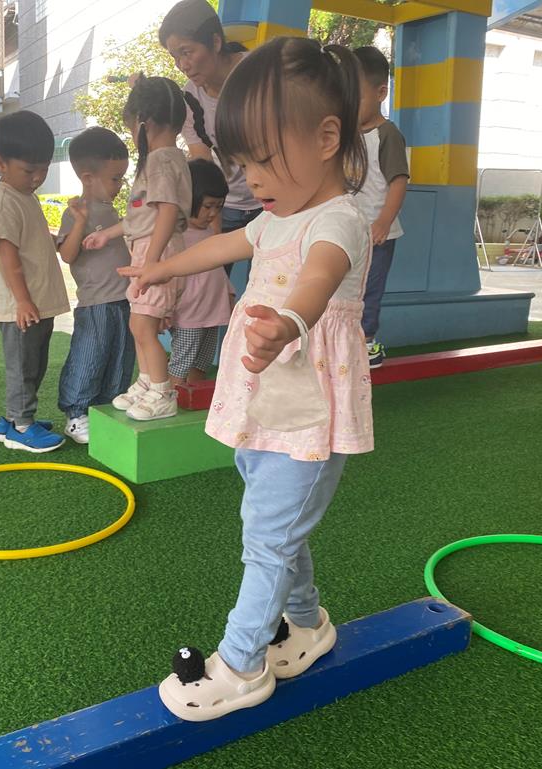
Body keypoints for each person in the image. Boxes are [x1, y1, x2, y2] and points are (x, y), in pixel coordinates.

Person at [121, 37, 373, 721]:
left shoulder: (339, 219)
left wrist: (289, 321)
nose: (251, 178)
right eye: (242, 162)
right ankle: (307, 623)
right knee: (275, 526)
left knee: (267, 538)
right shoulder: (275, 218)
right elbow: (219, 245)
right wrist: (159, 267)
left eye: (264, 157)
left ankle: (240, 664)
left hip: (304, 408)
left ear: (327, 138)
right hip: (263, 405)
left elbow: (319, 276)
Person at [83, 76, 191, 422]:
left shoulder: (161, 161)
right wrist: (108, 234)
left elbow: (168, 211)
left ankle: (162, 391)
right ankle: (147, 382)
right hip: (150, 251)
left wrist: (154, 262)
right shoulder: (163, 159)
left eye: (131, 128)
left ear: (145, 123)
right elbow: (142, 218)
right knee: (138, 324)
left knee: (144, 326)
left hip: (157, 254)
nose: (132, 136)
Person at [0, 111, 70, 451]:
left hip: (36, 302)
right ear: (0, 163)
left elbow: (31, 238)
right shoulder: (4, 200)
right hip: (22, 305)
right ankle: (21, 426)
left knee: (34, 362)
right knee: (23, 366)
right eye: (29, 170)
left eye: (43, 169)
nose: (37, 177)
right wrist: (22, 300)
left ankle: (11, 419)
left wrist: (55, 240)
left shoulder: (24, 195)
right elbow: (8, 255)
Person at [159, 0, 261, 280]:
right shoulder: (190, 97)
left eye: (187, 52)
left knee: (267, 284)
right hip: (225, 204)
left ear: (215, 42)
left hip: (270, 202)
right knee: (209, 282)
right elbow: (202, 161)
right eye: (175, 57)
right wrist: (212, 216)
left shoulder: (257, 74)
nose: (182, 65)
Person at [56, 127, 136, 444]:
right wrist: (79, 222)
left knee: (120, 357)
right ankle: (76, 414)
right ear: (88, 178)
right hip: (96, 303)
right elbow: (67, 254)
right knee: (89, 356)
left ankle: (107, 409)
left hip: (123, 299)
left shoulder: (112, 210)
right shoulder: (76, 212)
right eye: (115, 178)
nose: (120, 185)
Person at [352, 45, 409, 369]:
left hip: (377, 233)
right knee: (345, 288)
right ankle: (344, 339)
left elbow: (398, 181)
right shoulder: (345, 134)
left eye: (356, 96)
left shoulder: (387, 135)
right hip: (348, 230)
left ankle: (368, 341)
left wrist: (384, 222)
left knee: (370, 289)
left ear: (381, 93)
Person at [169, 158, 231, 385]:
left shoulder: (209, 235)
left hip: (212, 311)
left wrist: (229, 291)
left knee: (201, 364)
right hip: (189, 314)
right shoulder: (176, 236)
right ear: (188, 198)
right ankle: (169, 398)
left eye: (219, 207)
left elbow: (216, 269)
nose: (213, 213)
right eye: (208, 206)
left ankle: (193, 400)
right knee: (181, 364)